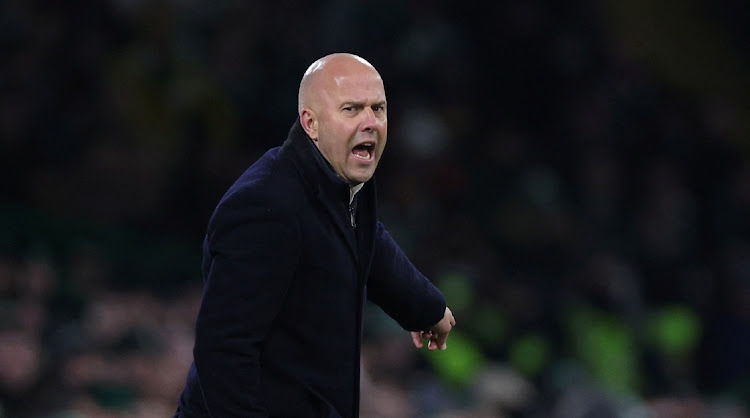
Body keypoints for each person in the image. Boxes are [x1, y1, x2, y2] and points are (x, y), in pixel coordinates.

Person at [173, 52, 455, 418]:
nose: (370, 122)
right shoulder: (264, 207)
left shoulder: (343, 181)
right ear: (311, 123)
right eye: (352, 109)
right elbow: (224, 350)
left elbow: (367, 240)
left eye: (378, 109)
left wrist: (425, 307)